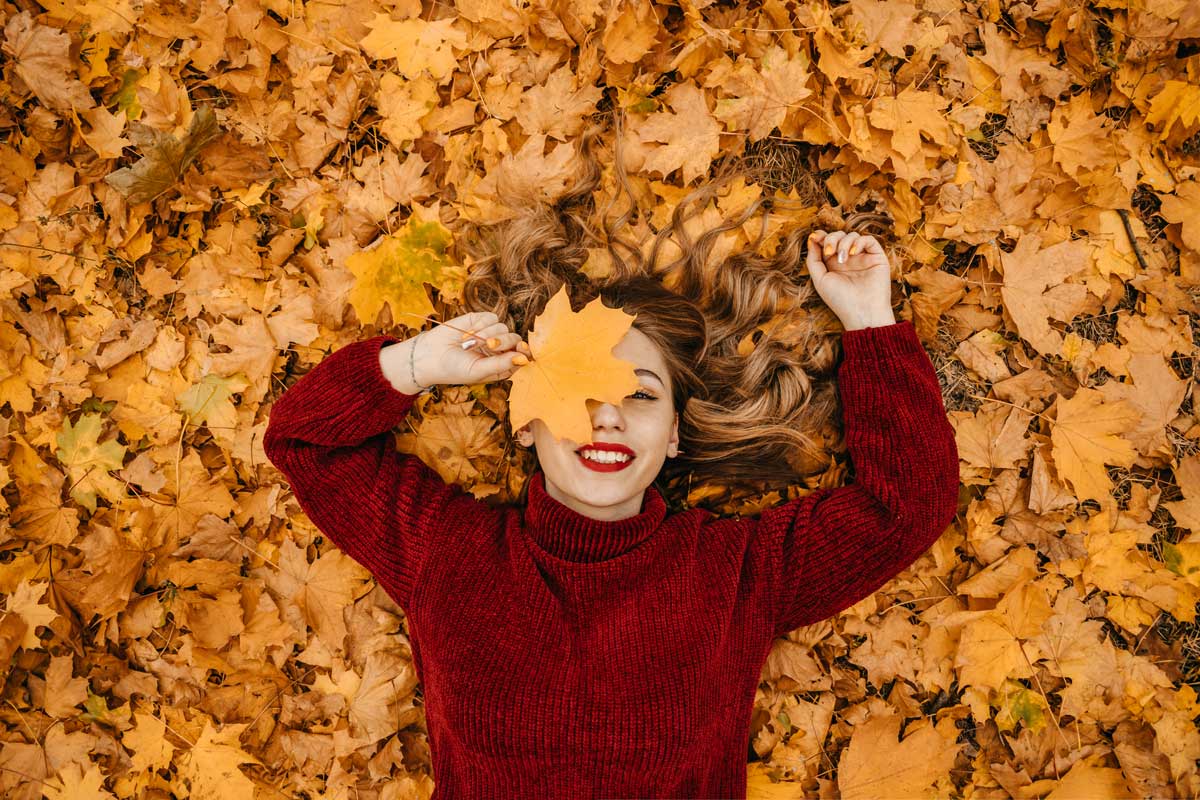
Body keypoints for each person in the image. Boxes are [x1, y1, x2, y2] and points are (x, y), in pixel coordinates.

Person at [263, 127, 960, 799]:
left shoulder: (737, 574)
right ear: (528, 422)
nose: (607, 415)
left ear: (675, 437)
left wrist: (869, 316)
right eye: (580, 388)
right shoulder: (447, 552)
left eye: (642, 395)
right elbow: (306, 443)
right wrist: (419, 363)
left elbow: (905, 506)